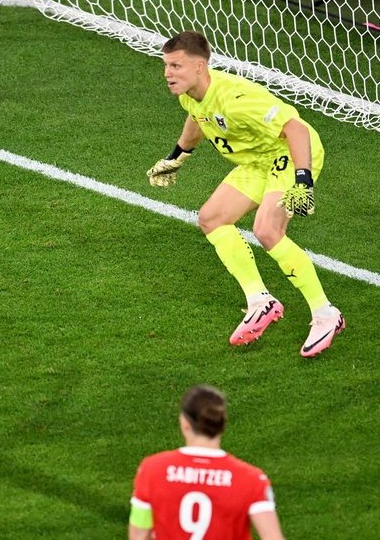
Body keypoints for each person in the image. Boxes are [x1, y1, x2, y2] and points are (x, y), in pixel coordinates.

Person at [147, 30, 344, 357]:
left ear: (200, 67)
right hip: (257, 162)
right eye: (166, 65)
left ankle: (326, 314)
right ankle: (260, 301)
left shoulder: (237, 99)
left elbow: (295, 128)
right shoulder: (189, 94)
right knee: (211, 218)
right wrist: (177, 157)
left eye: (176, 66)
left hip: (289, 153)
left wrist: (303, 181)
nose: (168, 73)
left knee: (267, 229)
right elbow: (197, 119)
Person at [129, 385, 286, 540]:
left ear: (185, 423)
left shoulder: (152, 470)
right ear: (222, 423)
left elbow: (138, 535)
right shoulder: (251, 479)